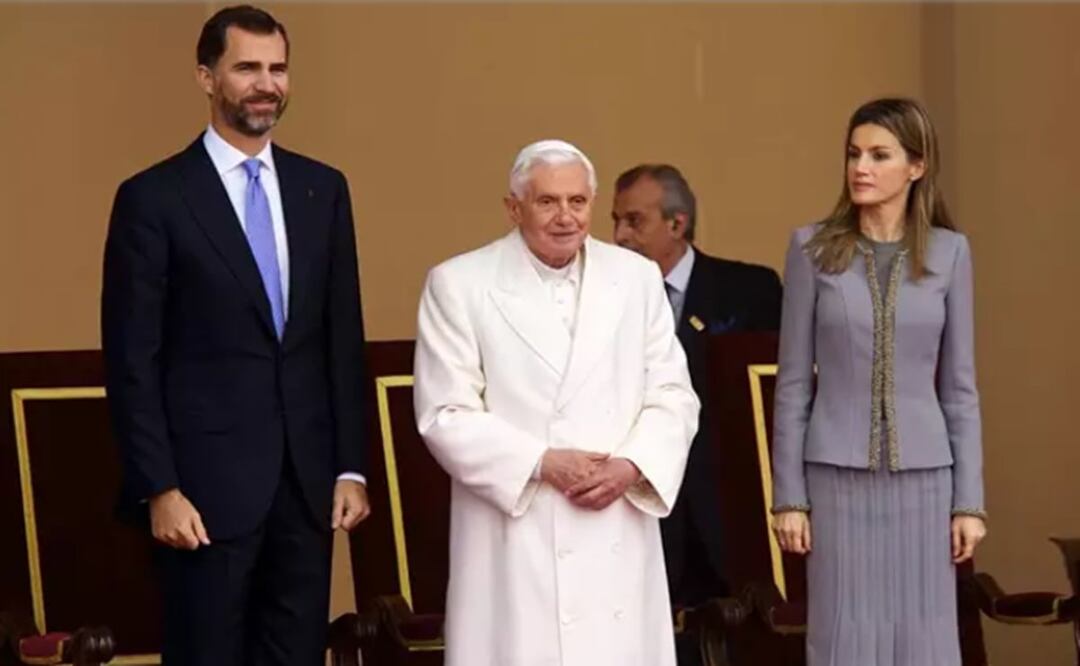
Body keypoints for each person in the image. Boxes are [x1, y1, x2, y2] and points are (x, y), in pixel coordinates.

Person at [101, 6, 370, 664]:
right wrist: (158, 486)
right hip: (201, 495)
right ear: (206, 76)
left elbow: (341, 340)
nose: (265, 83)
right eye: (247, 67)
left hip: (306, 491)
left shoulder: (322, 189)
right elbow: (133, 358)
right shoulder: (154, 198)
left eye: (277, 68)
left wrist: (349, 467)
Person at [413, 139, 700, 666]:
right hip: (516, 533)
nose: (566, 217)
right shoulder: (459, 284)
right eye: (547, 202)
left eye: (578, 202)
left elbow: (673, 393)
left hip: (616, 518)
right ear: (513, 207)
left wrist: (631, 464)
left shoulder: (636, 278)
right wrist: (542, 462)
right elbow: (444, 414)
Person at [770, 98, 987, 666]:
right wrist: (788, 498)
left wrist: (970, 502)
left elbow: (959, 388)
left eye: (879, 155)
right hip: (836, 482)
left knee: (926, 637)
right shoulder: (811, 249)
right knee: (843, 634)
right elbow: (793, 383)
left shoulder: (950, 252)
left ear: (916, 167)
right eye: (853, 154)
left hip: (926, 482)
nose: (860, 167)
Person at [612, 165, 781, 623]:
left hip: (731, 516)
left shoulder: (750, 291)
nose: (619, 236)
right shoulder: (606, 300)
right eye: (616, 221)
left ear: (677, 223)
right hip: (647, 515)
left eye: (634, 221)